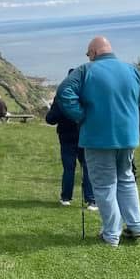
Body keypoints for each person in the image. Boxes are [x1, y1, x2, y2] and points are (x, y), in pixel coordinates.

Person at [57, 36, 140, 247]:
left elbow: (63, 92)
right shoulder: (131, 71)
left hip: (97, 138)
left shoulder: (86, 71)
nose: (89, 57)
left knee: (104, 185)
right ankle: (136, 226)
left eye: (88, 54)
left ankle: (111, 234)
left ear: (94, 53)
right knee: (126, 179)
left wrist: (80, 115)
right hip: (127, 137)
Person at [46, 69, 97, 211]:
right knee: (87, 167)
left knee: (69, 168)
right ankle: (91, 200)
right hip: (85, 135)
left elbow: (50, 119)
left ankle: (66, 197)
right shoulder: (88, 96)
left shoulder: (62, 97)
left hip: (66, 136)